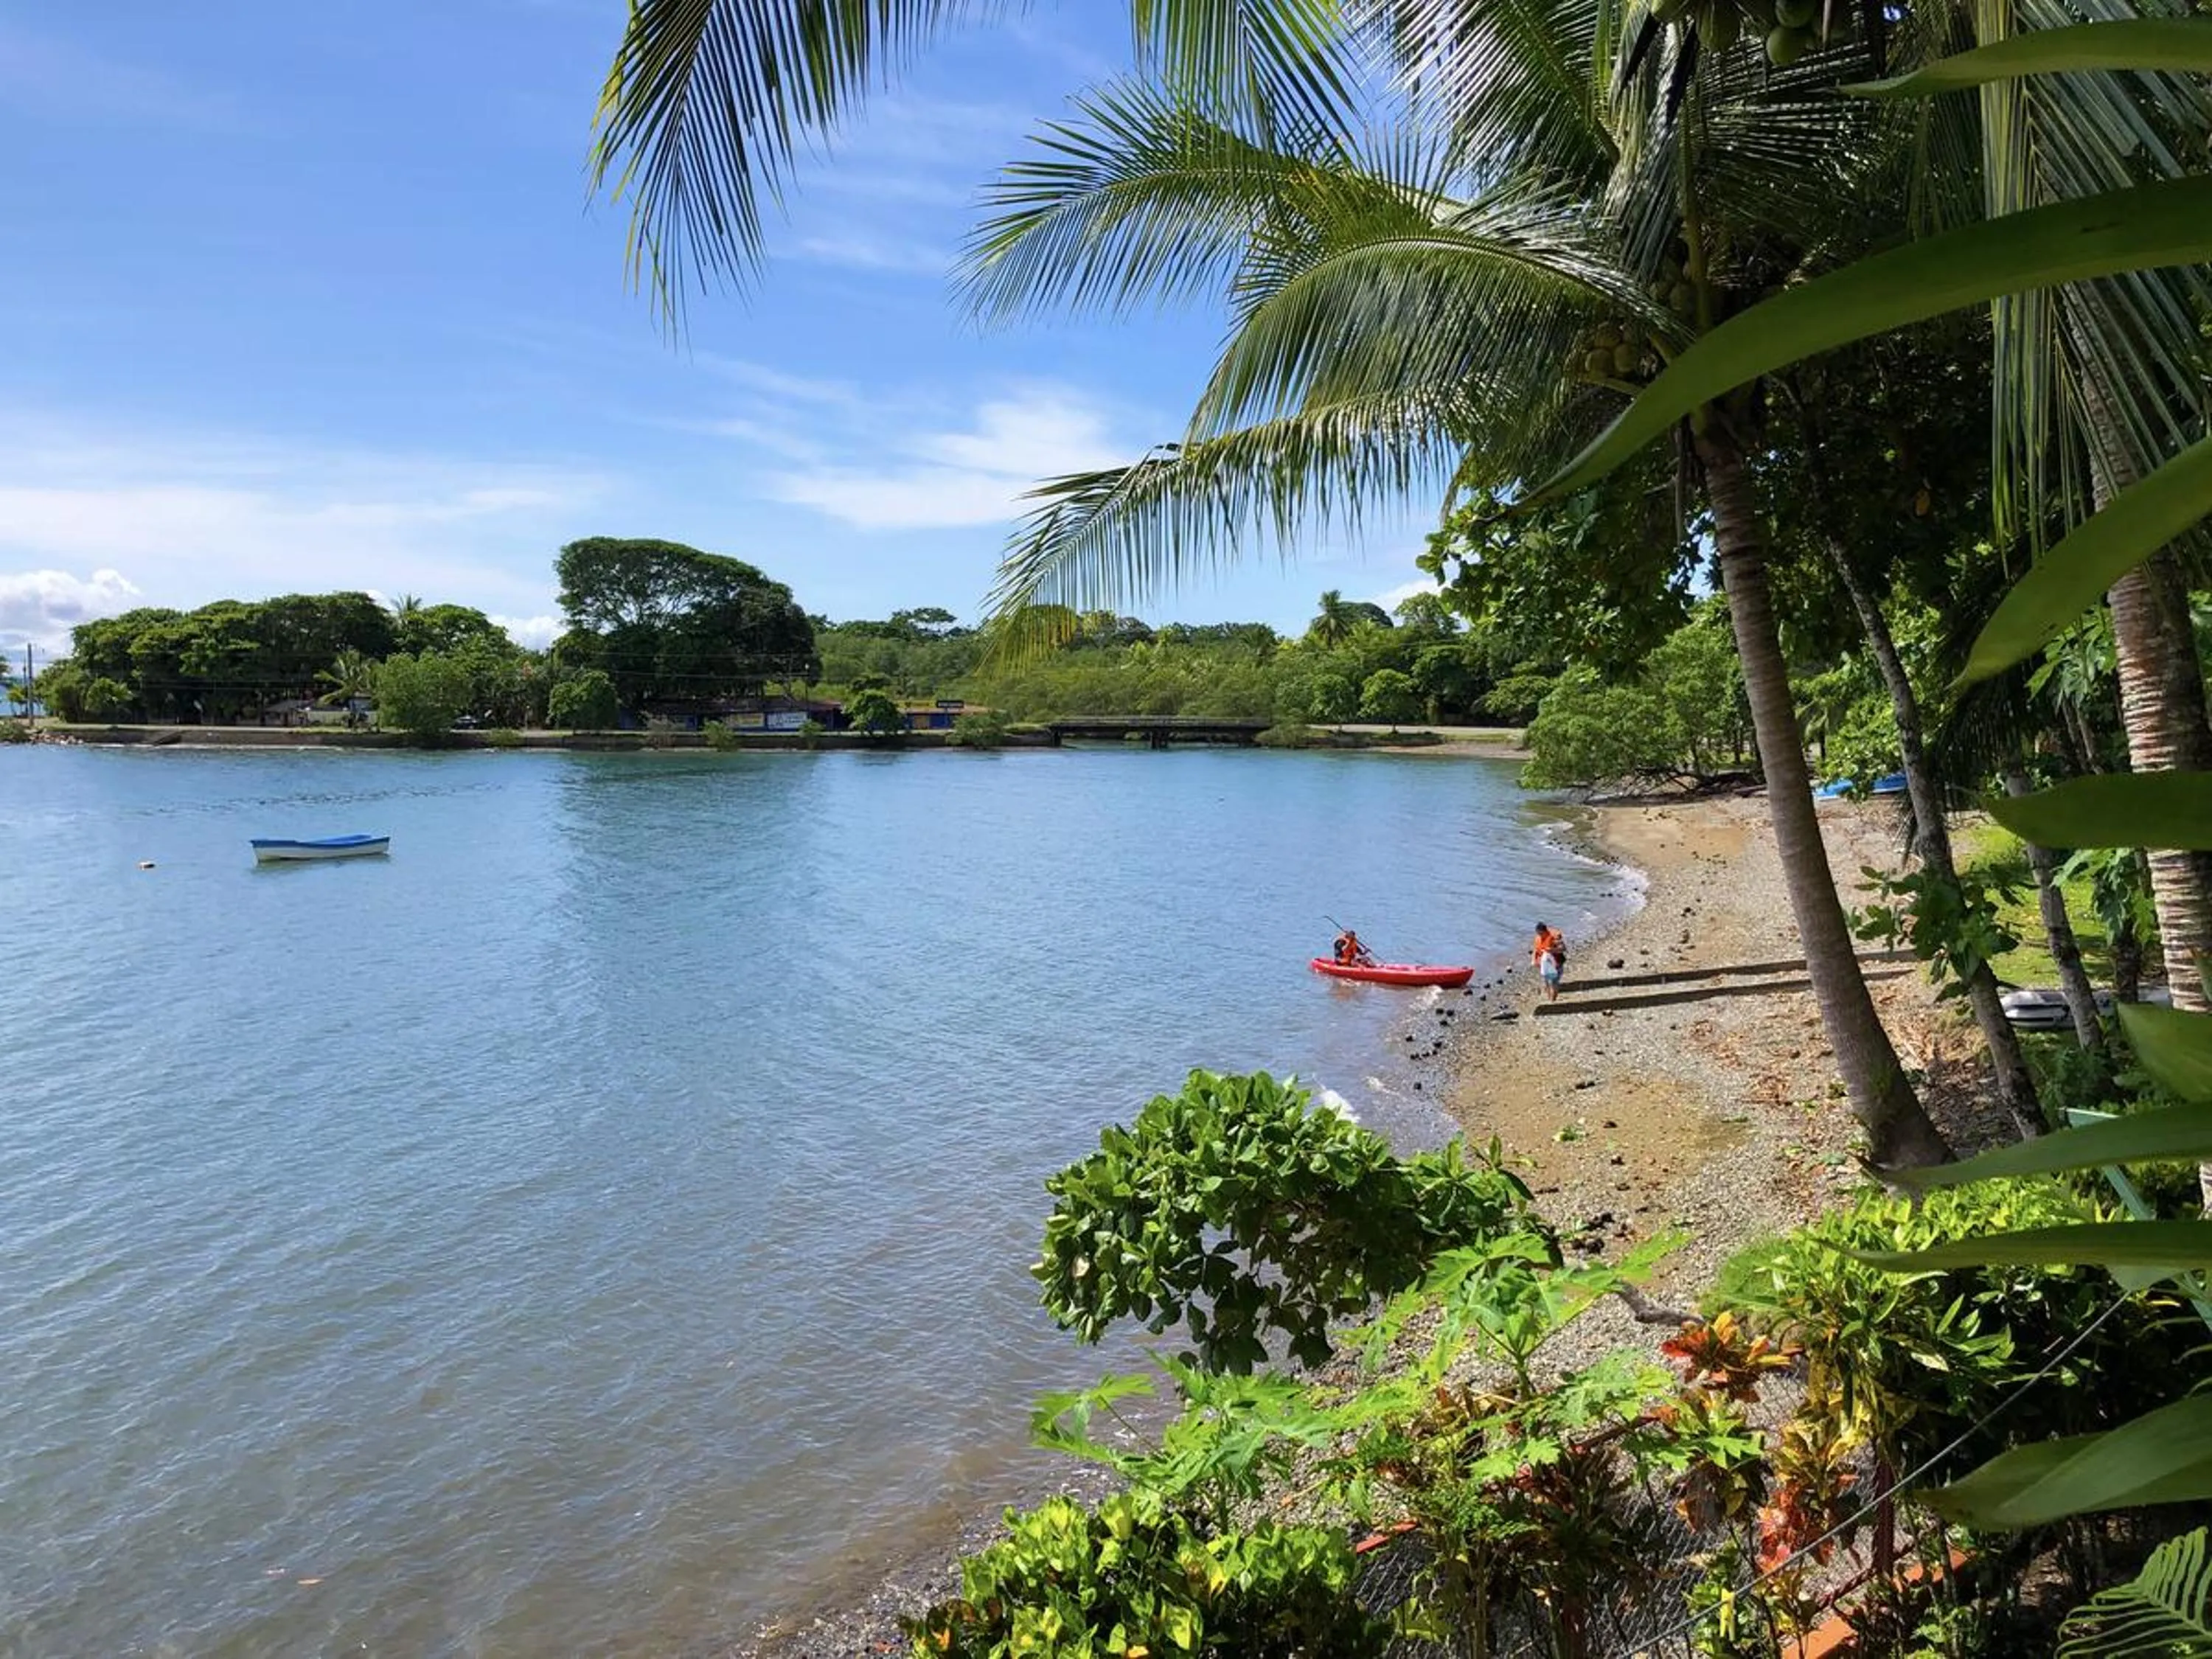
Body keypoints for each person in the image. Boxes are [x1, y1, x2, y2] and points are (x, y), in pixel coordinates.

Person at [1531, 922, 1567, 1001]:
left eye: (1541, 933)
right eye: (1538, 933)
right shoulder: (1538, 939)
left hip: (1557, 964)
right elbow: (1535, 950)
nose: (1540, 935)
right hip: (1545, 965)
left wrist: (1552, 950)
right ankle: (1549, 998)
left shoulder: (1553, 938)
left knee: (1554, 983)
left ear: (1545, 931)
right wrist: (1534, 960)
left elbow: (1563, 948)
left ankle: (1553, 1000)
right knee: (1546, 982)